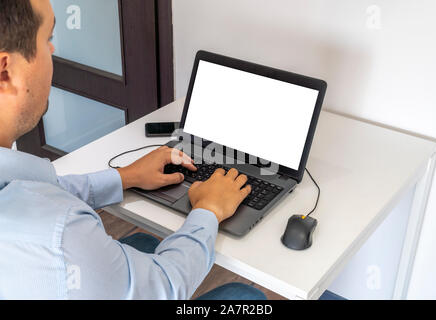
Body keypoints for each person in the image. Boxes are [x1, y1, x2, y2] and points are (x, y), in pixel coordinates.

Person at [0, 0, 266, 300]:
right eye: (48, 38)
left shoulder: (17, 191)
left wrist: (125, 177)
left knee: (142, 243)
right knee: (245, 297)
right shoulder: (60, 237)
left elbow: (38, 192)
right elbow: (165, 287)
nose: (53, 51)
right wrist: (208, 210)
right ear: (5, 72)